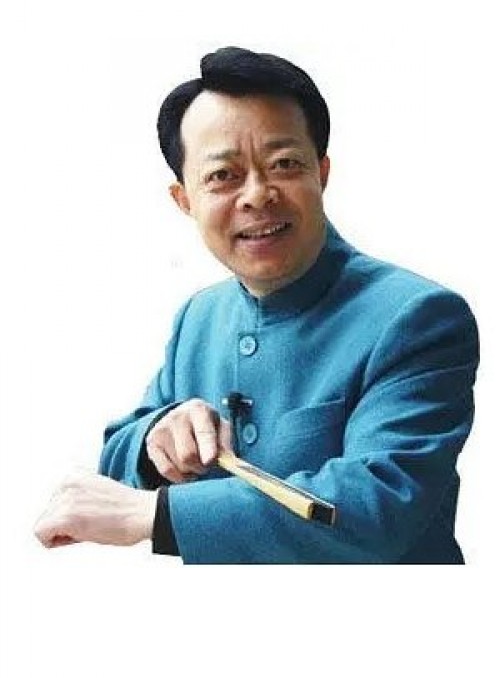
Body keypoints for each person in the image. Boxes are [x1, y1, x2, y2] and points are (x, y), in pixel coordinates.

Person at [34, 46, 480, 563]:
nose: (257, 195)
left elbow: (379, 503)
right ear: (185, 200)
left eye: (284, 164)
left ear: (322, 173)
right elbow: (118, 456)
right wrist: (159, 436)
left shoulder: (417, 316)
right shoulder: (198, 317)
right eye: (223, 175)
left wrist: (157, 515)